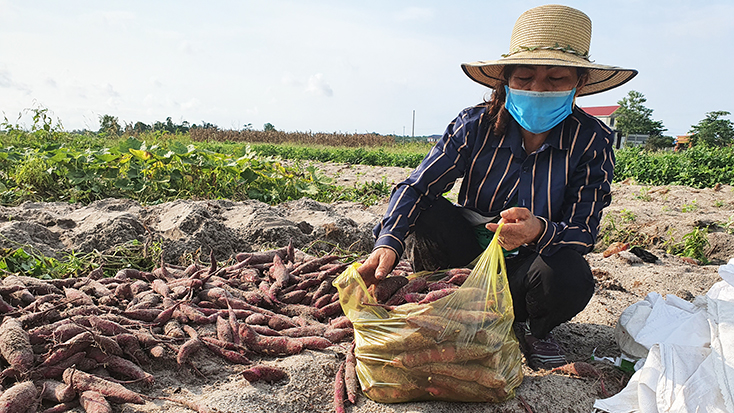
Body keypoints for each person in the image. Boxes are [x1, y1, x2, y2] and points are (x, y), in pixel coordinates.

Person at [357, 4, 637, 370]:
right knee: (425, 212)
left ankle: (534, 328)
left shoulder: (590, 140)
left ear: (579, 83)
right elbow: (416, 187)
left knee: (571, 275)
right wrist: (388, 242)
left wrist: (538, 229)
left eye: (555, 80)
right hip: (461, 256)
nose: (537, 90)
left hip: (529, 266)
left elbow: (583, 232)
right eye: (523, 78)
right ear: (504, 81)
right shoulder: (475, 125)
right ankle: (442, 296)